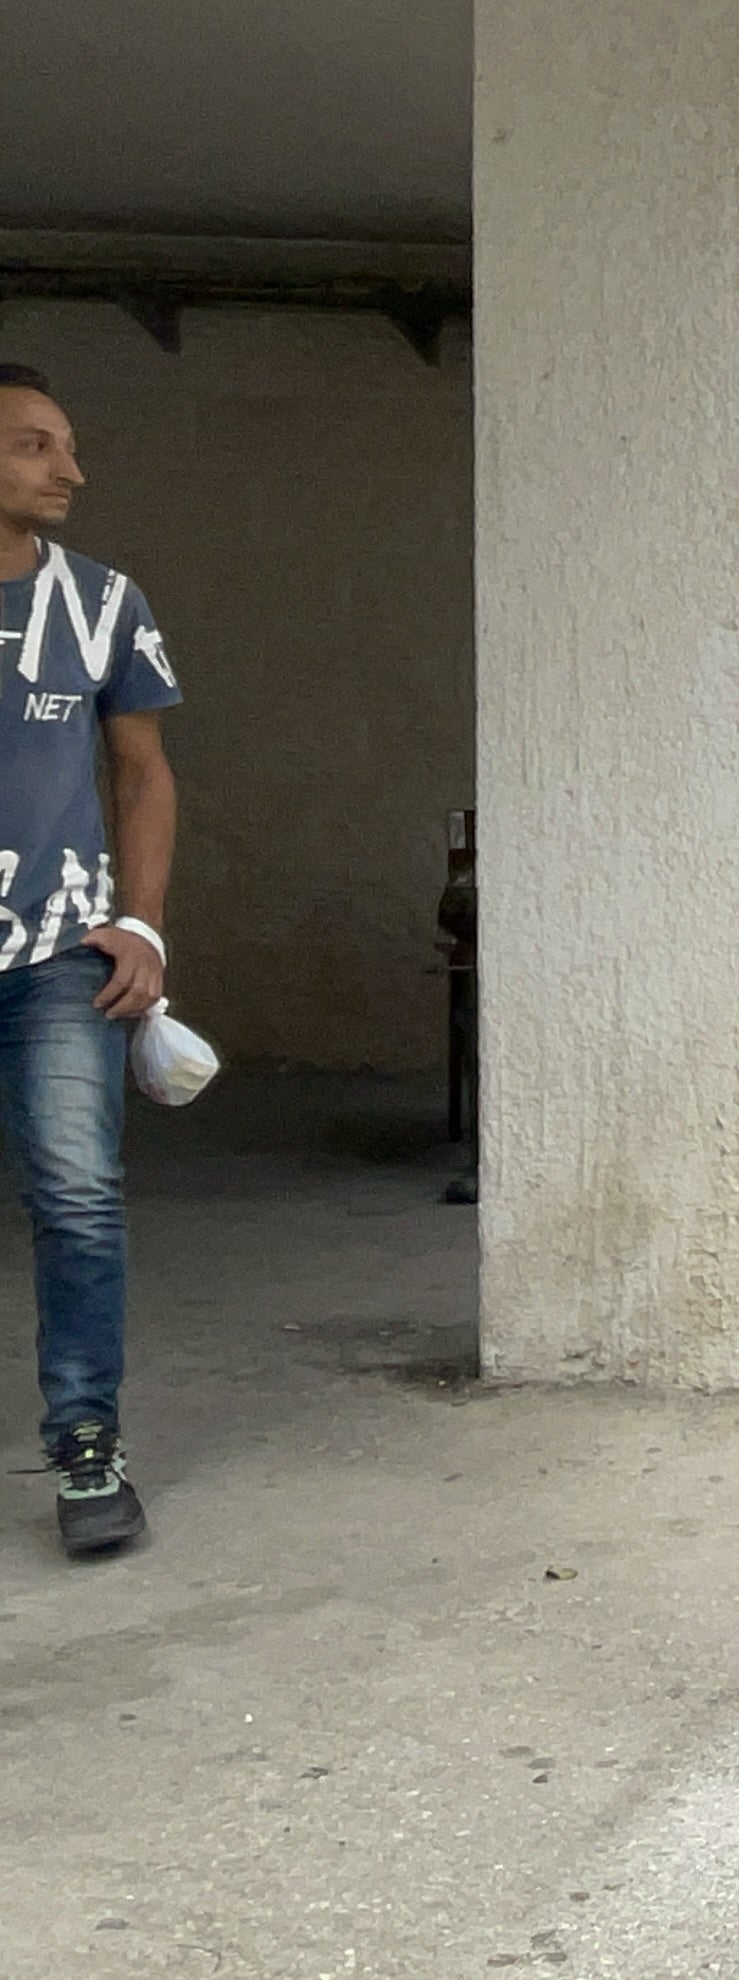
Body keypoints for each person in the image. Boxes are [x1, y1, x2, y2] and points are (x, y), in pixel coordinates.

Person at [0, 363, 178, 1557]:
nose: (70, 469)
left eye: (65, 445)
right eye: (35, 446)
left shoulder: (106, 601)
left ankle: (86, 1448)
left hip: (61, 950)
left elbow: (143, 773)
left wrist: (145, 924)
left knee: (76, 1197)